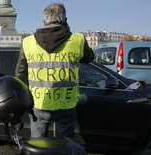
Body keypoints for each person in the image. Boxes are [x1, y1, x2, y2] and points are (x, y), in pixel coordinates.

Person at [15, 3, 94, 140]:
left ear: (44, 21)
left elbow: (20, 73)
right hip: (66, 103)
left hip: (38, 104)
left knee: (38, 144)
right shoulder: (77, 40)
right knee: (64, 146)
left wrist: (26, 100)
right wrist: (66, 29)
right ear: (65, 20)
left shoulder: (28, 42)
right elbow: (89, 58)